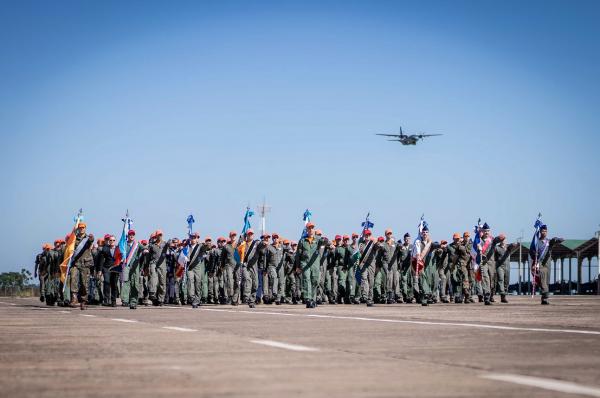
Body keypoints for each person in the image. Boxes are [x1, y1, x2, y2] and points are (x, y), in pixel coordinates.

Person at [295, 222, 327, 308]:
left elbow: (324, 242)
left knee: (315, 280)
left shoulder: (318, 239)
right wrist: (297, 266)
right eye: (309, 228)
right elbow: (298, 254)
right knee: (306, 279)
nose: (311, 230)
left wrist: (326, 241)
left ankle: (313, 299)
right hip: (304, 263)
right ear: (307, 230)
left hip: (315, 263)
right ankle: (308, 299)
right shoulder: (302, 241)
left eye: (312, 228)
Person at [529, 224, 563, 305]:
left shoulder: (549, 242)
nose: (544, 232)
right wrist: (534, 262)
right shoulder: (537, 243)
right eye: (543, 231)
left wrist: (557, 239)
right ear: (540, 231)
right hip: (540, 264)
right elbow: (531, 252)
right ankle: (545, 298)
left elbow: (558, 240)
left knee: (546, 281)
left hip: (548, 264)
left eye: (545, 231)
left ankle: (543, 298)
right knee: (543, 281)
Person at [68, 222, 95, 310]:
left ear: (85, 228)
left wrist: (91, 238)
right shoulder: (74, 238)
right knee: (73, 280)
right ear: (78, 228)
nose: (81, 229)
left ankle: (83, 301)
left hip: (85, 264)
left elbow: (91, 240)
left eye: (83, 228)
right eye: (80, 228)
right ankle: (74, 299)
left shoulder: (88, 238)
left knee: (84, 283)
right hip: (75, 263)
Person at [237, 229, 259, 308]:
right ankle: (246, 296)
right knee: (247, 279)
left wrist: (264, 244)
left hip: (253, 265)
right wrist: (241, 237)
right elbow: (238, 248)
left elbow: (262, 247)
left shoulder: (256, 243)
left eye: (251, 234)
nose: (250, 235)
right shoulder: (243, 244)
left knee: (255, 283)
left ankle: (252, 300)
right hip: (245, 265)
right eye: (248, 234)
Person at [493, 234, 518, 303]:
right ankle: (502, 294)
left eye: (504, 239)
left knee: (506, 281)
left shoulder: (508, 247)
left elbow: (511, 246)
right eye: (501, 240)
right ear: (499, 241)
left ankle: (504, 294)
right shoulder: (496, 248)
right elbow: (494, 257)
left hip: (507, 266)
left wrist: (513, 244)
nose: (503, 241)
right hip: (499, 266)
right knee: (501, 280)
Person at [411, 225, 432, 306]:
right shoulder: (418, 242)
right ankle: (425, 296)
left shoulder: (430, 243)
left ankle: (426, 296)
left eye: (426, 232)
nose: (425, 234)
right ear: (421, 233)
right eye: (423, 232)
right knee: (422, 279)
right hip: (420, 264)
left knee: (427, 280)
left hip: (428, 265)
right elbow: (415, 253)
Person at [146, 230, 168, 306]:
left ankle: (161, 299)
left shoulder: (165, 244)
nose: (160, 236)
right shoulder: (152, 245)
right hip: (153, 263)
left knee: (162, 282)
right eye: (158, 235)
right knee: (153, 278)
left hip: (162, 264)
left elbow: (170, 248)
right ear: (156, 236)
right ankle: (152, 294)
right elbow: (148, 257)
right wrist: (146, 267)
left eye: (161, 235)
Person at [358, 229, 377, 307]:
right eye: (366, 235)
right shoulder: (361, 244)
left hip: (371, 264)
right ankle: (365, 296)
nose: (368, 236)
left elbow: (378, 247)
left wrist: (376, 242)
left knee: (371, 281)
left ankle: (370, 298)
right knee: (364, 278)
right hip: (364, 264)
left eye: (369, 235)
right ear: (364, 236)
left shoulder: (373, 244)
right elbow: (359, 252)